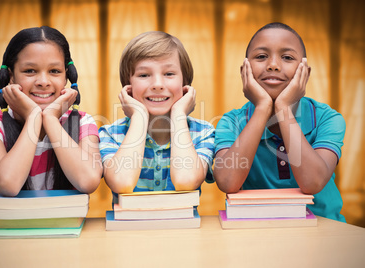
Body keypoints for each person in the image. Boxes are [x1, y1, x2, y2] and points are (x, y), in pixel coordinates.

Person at [0, 26, 102, 227]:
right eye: (30, 71)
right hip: (3, 240)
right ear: (11, 77)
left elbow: (88, 181)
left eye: (54, 71)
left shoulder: (83, 122)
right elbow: (9, 184)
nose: (43, 81)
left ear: (66, 77)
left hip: (67, 235)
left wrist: (50, 119)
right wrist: (34, 117)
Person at [214, 22, 346, 222]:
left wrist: (283, 109)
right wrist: (262, 108)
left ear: (305, 73)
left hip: (324, 234)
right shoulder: (231, 122)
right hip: (255, 233)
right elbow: (227, 182)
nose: (273, 65)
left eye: (287, 57)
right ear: (245, 71)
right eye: (261, 57)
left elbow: (312, 182)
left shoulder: (327, 119)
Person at [99, 31, 215, 203]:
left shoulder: (203, 132)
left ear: (185, 83)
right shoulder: (110, 134)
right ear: (128, 86)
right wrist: (139, 116)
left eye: (169, 74)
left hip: (184, 229)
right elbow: (122, 183)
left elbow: (186, 180)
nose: (158, 85)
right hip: (127, 229)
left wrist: (178, 115)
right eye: (144, 75)